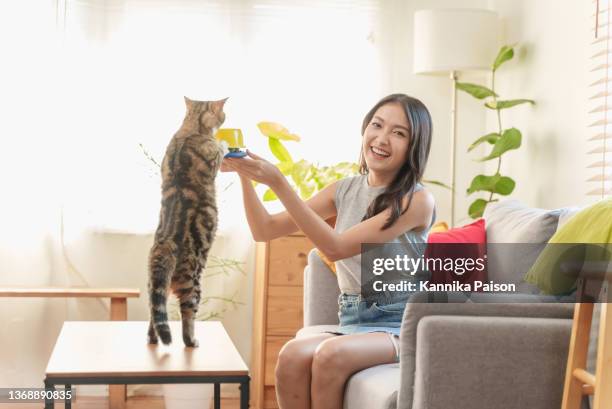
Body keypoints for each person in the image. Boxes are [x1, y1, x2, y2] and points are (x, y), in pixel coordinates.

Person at [221, 93, 435, 409]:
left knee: (330, 355)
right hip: (353, 318)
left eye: (398, 133)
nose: (382, 138)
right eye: (377, 125)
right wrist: (245, 176)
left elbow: (335, 248)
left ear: (413, 147)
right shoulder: (343, 190)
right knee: (292, 356)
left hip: (400, 323)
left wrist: (279, 183)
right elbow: (264, 230)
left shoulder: (416, 201)